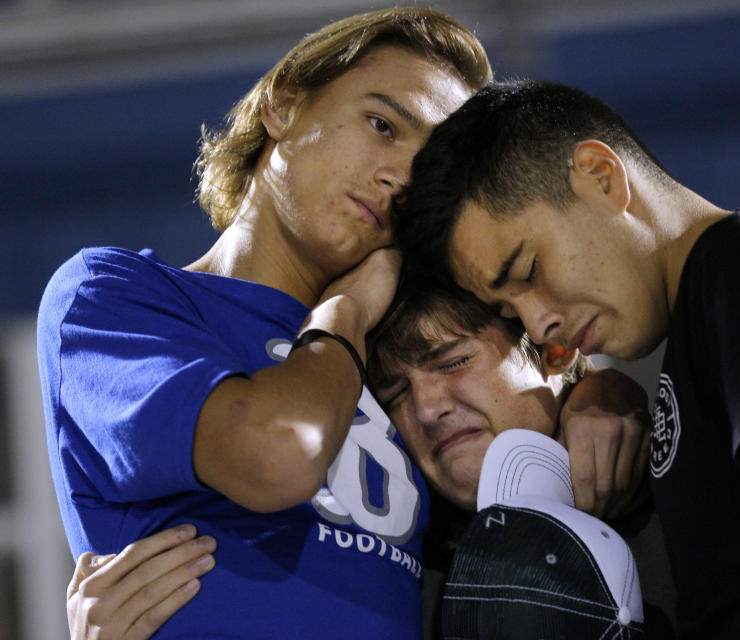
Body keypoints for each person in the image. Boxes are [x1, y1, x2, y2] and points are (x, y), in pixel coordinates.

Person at [391, 80, 740, 639]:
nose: (540, 323)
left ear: (600, 175)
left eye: (529, 271)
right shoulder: (712, 314)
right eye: (509, 306)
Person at [37, 8, 493, 638]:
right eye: (383, 125)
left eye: (427, 174)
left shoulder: (401, 361)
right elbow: (278, 452)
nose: (398, 179)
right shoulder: (117, 296)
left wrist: (604, 401)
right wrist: (344, 318)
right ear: (285, 104)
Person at [64, 281, 664, 639]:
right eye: (395, 395)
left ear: (554, 349)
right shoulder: (398, 573)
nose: (426, 410)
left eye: (453, 361)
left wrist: (606, 388)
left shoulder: (682, 486)